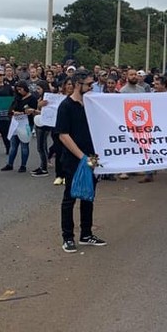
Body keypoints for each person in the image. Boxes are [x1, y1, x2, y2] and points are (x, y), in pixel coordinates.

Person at [55, 70, 107, 253]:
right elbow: (63, 135)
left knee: (88, 195)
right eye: (88, 84)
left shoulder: (91, 104)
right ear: (78, 84)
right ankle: (67, 237)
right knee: (70, 197)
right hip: (73, 159)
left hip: (92, 157)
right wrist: (81, 156)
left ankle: (86, 233)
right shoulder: (66, 106)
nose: (91, 87)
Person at [1, 81, 38, 173]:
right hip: (16, 123)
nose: (19, 92)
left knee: (24, 145)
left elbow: (34, 110)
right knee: (13, 145)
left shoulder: (32, 98)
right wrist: (13, 112)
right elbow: (10, 109)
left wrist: (28, 111)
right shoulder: (17, 98)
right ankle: (10, 163)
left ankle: (23, 165)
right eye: (17, 90)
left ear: (25, 88)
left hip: (26, 123)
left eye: (20, 89)